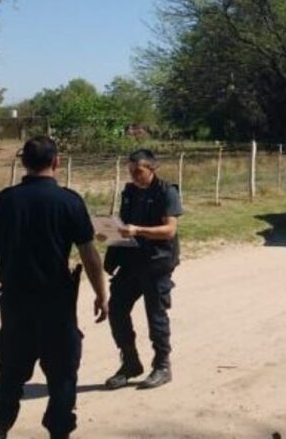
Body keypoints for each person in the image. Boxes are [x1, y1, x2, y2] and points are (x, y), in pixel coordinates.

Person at [0, 136, 108, 439]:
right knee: (63, 374)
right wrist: (103, 294)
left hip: (15, 302)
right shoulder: (70, 201)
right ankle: (59, 431)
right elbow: (89, 254)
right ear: (56, 161)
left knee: (10, 372)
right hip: (57, 306)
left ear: (23, 162)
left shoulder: (5, 200)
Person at [104, 149, 182, 390]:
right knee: (116, 309)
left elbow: (170, 230)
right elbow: (123, 225)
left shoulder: (167, 192)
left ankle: (162, 366)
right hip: (130, 262)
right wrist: (107, 232)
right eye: (131, 172)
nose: (134, 176)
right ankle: (130, 363)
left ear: (152, 169)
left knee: (155, 314)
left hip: (157, 262)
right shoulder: (129, 192)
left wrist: (138, 230)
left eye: (138, 171)